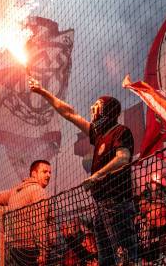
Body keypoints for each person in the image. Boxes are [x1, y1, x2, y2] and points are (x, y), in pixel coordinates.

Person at [29, 78, 137, 265]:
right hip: (101, 205)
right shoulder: (99, 135)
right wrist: (42, 92)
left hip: (117, 204)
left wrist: (96, 176)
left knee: (124, 257)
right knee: (106, 259)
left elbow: (123, 158)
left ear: (105, 109)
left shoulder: (120, 131)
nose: (92, 108)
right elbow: (69, 114)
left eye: (96, 105)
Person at [0, 159, 53, 266]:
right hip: (33, 251)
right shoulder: (38, 191)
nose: (48, 175)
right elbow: (40, 223)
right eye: (44, 171)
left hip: (16, 251)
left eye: (50, 172)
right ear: (34, 174)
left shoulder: (15, 191)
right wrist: (43, 253)